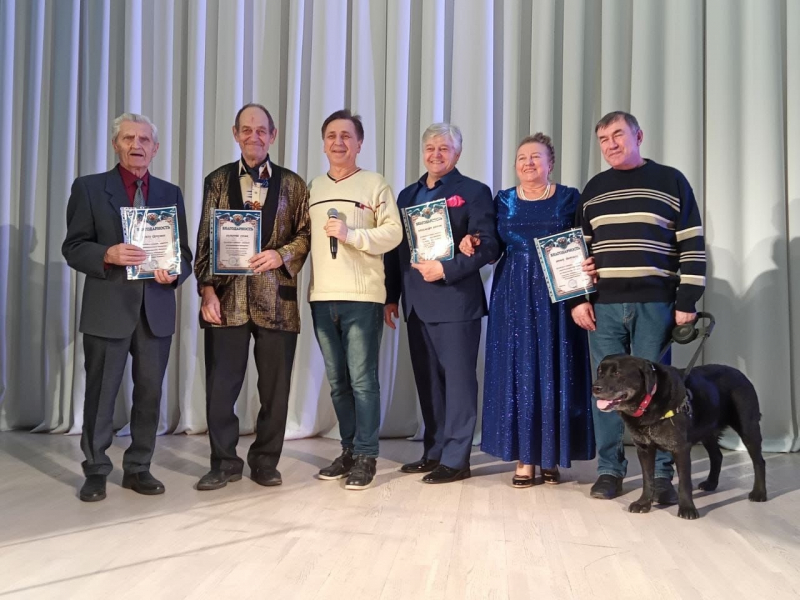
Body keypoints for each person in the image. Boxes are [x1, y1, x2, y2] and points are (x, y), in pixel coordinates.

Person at [570, 111, 706, 502]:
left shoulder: (671, 181)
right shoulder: (594, 189)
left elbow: (692, 243)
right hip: (604, 306)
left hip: (655, 303)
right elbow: (577, 251)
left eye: (618, 135)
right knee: (604, 392)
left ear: (638, 136)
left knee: (658, 392)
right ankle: (609, 470)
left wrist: (687, 300)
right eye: (603, 139)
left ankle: (661, 475)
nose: (611, 144)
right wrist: (578, 298)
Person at [62, 113, 193, 502]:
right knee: (101, 394)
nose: (137, 145)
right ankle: (96, 469)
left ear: (156, 148)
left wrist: (176, 272)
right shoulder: (89, 188)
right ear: (115, 144)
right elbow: (73, 247)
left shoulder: (170, 193)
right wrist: (107, 254)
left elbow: (184, 254)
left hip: (156, 310)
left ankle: (138, 467)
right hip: (108, 308)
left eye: (145, 139)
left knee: (150, 394)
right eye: (128, 138)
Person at [460, 133, 595, 487]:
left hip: (558, 295)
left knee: (555, 370)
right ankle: (525, 458)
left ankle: (552, 455)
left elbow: (583, 244)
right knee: (519, 372)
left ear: (551, 163)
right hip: (513, 294)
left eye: (536, 157)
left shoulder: (569, 197)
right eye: (522, 158)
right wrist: (473, 240)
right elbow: (491, 243)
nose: (528, 163)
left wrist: (584, 291)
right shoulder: (503, 199)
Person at [194, 103, 310, 491]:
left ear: (273, 136)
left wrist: (282, 255)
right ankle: (224, 462)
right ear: (235, 134)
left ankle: (265, 461)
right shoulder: (216, 180)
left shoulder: (294, 184)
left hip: (278, 301)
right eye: (246, 129)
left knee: (275, 391)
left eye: (261, 130)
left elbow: (305, 235)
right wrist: (207, 291)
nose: (254, 136)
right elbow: (205, 240)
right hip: (226, 301)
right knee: (220, 388)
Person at [384, 123, 499, 484]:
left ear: (457, 154)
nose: (436, 154)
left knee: (459, 384)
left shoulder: (474, 192)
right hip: (416, 304)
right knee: (429, 384)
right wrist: (390, 296)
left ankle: (456, 459)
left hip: (456, 302)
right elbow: (396, 251)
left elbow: (488, 245)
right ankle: (433, 452)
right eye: (430, 148)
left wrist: (447, 269)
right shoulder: (407, 195)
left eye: (444, 149)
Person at [308, 110, 402, 490]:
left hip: (362, 298)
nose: (339, 142)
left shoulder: (374, 184)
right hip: (321, 298)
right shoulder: (314, 187)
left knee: (362, 381)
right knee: (338, 383)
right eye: (332, 135)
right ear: (323, 143)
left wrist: (353, 235)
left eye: (347, 136)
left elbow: (394, 233)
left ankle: (366, 455)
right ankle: (348, 450)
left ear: (359, 143)